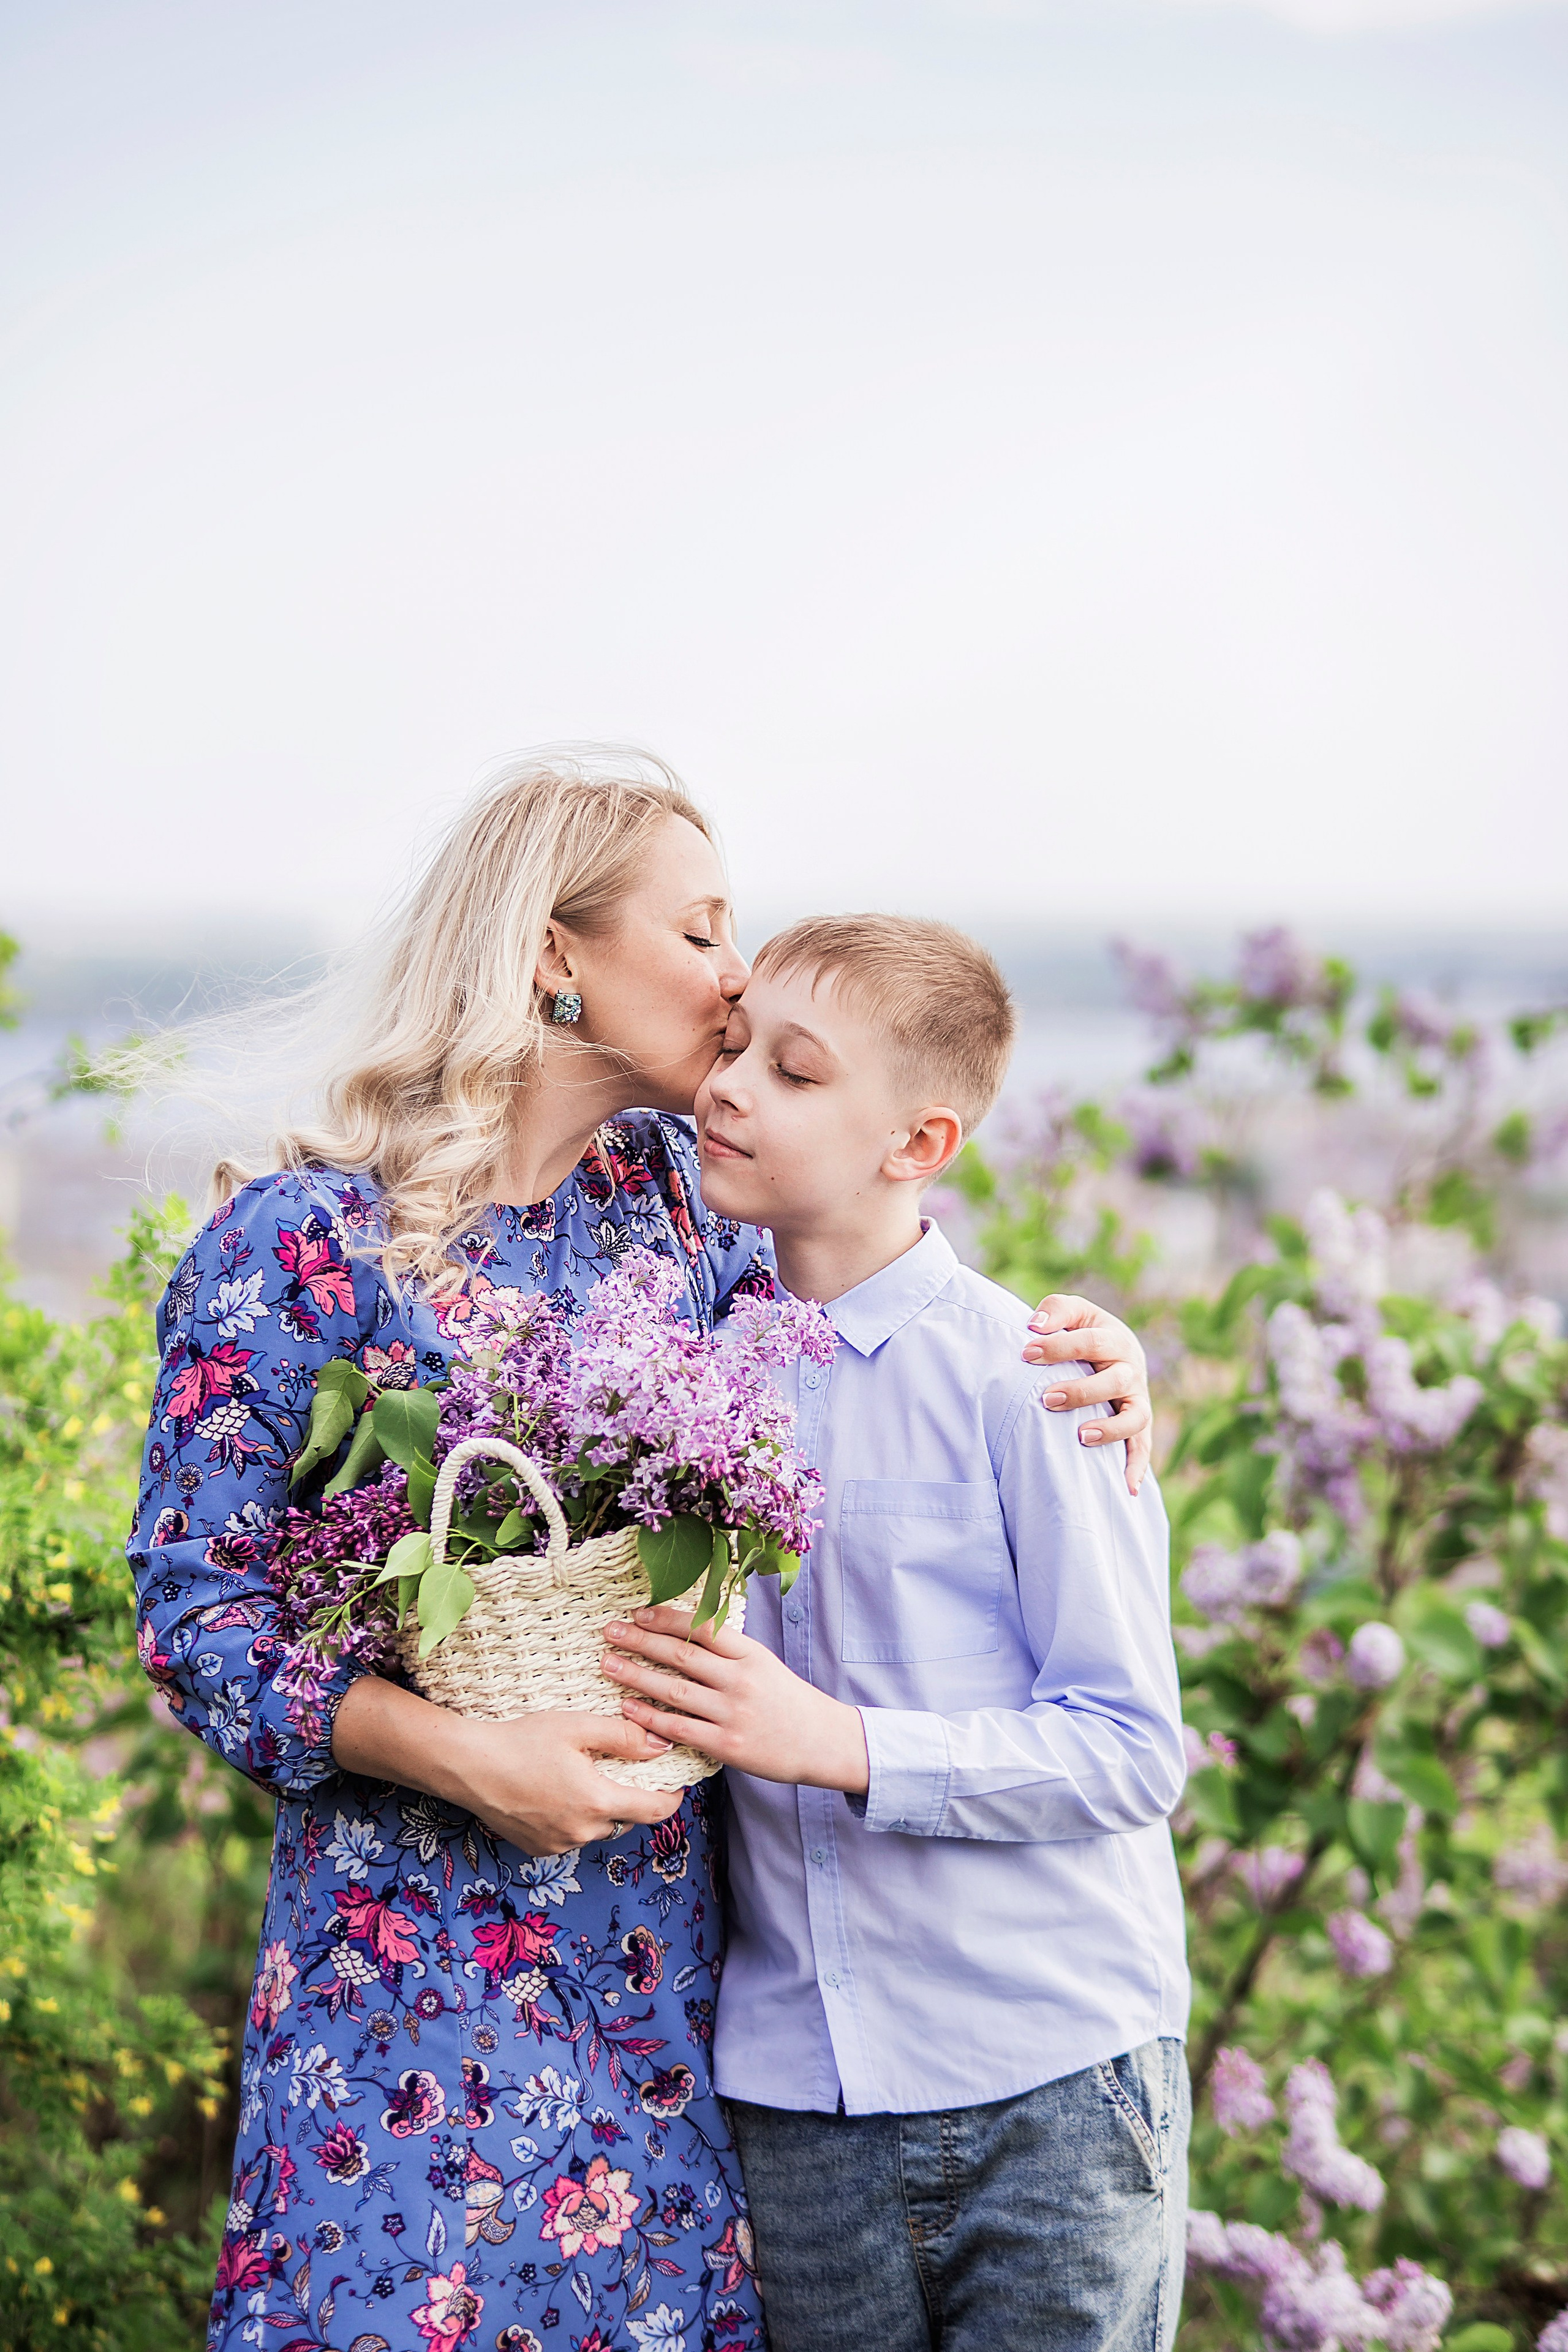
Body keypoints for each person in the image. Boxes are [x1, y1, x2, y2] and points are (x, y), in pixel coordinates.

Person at [127, 754, 1156, 2352]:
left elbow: (887, 1348)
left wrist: (1091, 1364)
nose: (736, 977)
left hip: (667, 2001)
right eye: (699, 931)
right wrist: (467, 1758)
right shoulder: (296, 1243)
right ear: (554, 953)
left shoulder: (692, 1211)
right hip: (401, 1982)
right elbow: (196, 1617)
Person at [603, 913, 1191, 2352]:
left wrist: (837, 1744)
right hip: (796, 2102)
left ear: (916, 1143)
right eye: (734, 1048)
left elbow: (1128, 1750)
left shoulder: (1034, 1380)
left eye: (794, 1073)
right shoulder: (678, 1377)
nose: (730, 1087)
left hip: (1048, 2082)